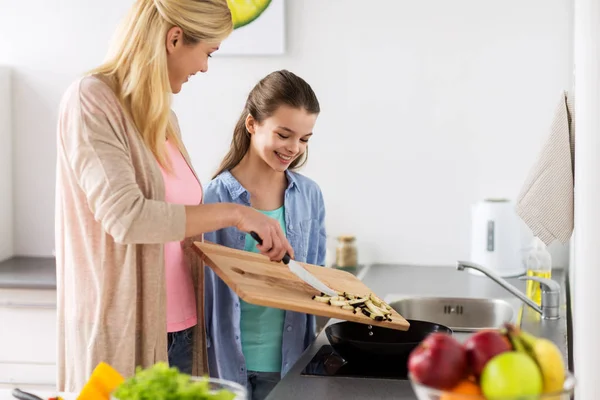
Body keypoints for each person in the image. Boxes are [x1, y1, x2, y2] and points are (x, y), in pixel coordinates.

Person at [54, 0, 293, 392]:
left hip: (183, 329)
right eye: (207, 53)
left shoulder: (163, 116)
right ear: (175, 39)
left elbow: (177, 226)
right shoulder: (90, 100)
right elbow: (127, 218)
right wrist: (237, 214)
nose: (204, 67)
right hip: (125, 331)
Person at [203, 69, 327, 400]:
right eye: (284, 134)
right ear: (252, 124)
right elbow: (202, 290)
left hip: (289, 365)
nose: (294, 149)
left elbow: (316, 279)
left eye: (304, 139)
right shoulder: (216, 197)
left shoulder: (310, 196)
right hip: (226, 366)